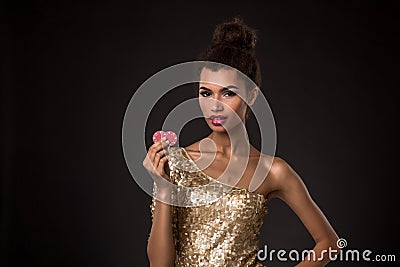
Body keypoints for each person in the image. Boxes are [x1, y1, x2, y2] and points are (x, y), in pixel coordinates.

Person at [143, 17, 340, 267]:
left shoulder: (273, 170)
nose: (215, 105)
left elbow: (329, 243)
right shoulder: (178, 163)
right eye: (206, 93)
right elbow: (160, 264)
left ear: (251, 94)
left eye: (228, 93)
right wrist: (162, 188)